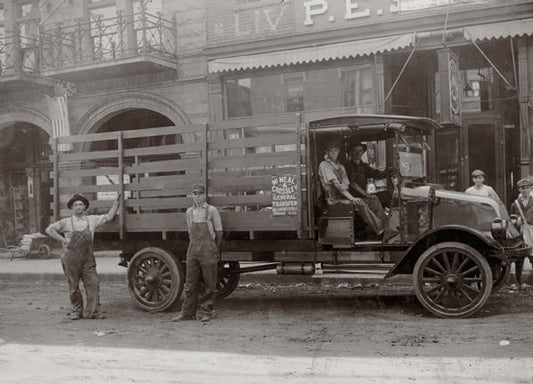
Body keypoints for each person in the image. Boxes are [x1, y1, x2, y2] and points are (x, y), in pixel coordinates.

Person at [46, 192, 120, 320]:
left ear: (85, 207)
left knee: (93, 284)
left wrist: (117, 201)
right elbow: (49, 230)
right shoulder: (66, 222)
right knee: (73, 286)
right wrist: (63, 240)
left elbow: (109, 216)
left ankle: (92, 312)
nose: (79, 207)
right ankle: (76, 311)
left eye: (81, 204)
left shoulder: (91, 220)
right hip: (71, 258)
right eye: (76, 205)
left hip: (87, 258)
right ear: (72, 208)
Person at [172, 183, 223, 322]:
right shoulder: (189, 212)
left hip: (208, 250)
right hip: (193, 250)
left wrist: (215, 248)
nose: (197, 197)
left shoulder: (212, 211)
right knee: (190, 284)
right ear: (192, 196)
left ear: (204, 195)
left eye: (200, 194)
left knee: (209, 284)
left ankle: (207, 311)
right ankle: (187, 313)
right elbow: (190, 231)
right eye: (194, 194)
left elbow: (219, 231)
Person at [318, 140, 385, 236]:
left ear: (339, 151)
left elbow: (347, 184)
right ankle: (380, 229)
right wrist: (353, 198)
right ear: (326, 152)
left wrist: (365, 196)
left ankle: (385, 226)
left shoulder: (341, 167)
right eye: (331, 151)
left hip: (344, 197)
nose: (333, 153)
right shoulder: (324, 165)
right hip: (333, 199)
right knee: (361, 203)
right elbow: (338, 186)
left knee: (374, 200)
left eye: (335, 150)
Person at [345, 142, 396, 212]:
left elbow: (377, 174)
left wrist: (388, 172)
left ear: (363, 152)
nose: (358, 153)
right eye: (355, 150)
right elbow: (352, 184)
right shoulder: (348, 166)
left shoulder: (364, 166)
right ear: (350, 152)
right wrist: (367, 195)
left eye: (360, 151)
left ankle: (392, 217)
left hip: (363, 195)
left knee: (385, 195)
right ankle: (380, 221)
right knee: (375, 200)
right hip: (355, 197)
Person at [510, 178, 533, 290]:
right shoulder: (515, 204)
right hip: (520, 233)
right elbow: (512, 219)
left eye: (527, 188)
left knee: (532, 256)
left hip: (532, 232)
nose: (525, 190)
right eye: (523, 188)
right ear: (519, 189)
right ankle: (518, 282)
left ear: (531, 188)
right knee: (519, 257)